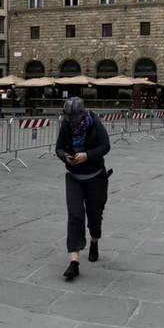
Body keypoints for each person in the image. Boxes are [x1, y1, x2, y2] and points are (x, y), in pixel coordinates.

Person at [54, 97, 111, 281]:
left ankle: (94, 240)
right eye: (69, 117)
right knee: (75, 215)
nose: (72, 121)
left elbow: (105, 146)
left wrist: (87, 156)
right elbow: (59, 148)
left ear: (82, 113)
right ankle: (74, 262)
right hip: (74, 176)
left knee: (94, 217)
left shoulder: (94, 122)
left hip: (95, 175)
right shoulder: (66, 124)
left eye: (74, 117)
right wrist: (65, 157)